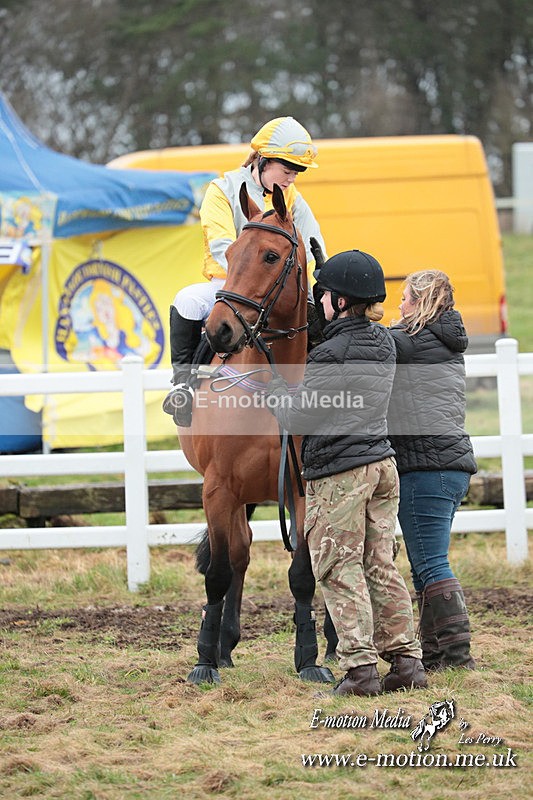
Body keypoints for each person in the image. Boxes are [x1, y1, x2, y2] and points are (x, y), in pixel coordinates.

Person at [265, 250, 427, 696]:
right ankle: (407, 661)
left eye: (324, 295)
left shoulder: (332, 354)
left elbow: (298, 418)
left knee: (339, 567)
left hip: (342, 472)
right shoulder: (384, 342)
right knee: (381, 564)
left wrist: (277, 389)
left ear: (338, 300)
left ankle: (360, 670)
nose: (319, 302)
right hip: (381, 465)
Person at [162, 116, 327, 426]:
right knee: (186, 300)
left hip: (278, 290)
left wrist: (322, 284)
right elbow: (224, 244)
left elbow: (315, 243)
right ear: (263, 161)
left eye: (295, 174)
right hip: (231, 285)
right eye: (287, 171)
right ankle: (183, 384)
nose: (291, 179)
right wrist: (251, 283)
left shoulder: (293, 200)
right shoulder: (222, 190)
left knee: (321, 316)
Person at [388, 270, 477, 671]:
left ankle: (458, 657)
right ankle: (438, 654)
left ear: (421, 302)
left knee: (431, 563)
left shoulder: (412, 342)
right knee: (426, 560)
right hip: (448, 466)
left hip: (426, 466)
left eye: (405, 298)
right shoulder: (442, 340)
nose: (399, 305)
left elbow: (374, 343)